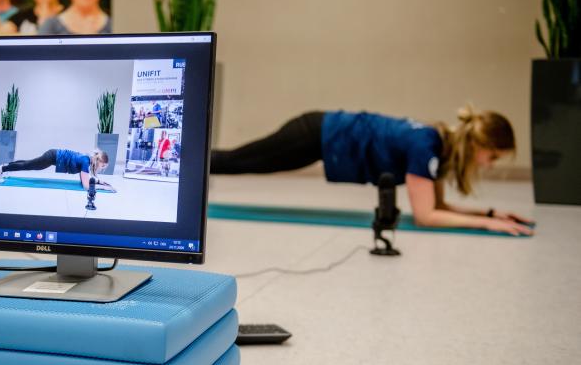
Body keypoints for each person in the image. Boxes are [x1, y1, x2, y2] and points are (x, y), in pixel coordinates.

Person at [211, 106, 534, 236]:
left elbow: (439, 208)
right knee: (238, 162)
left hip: (320, 137)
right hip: (315, 133)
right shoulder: (427, 147)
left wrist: (491, 213)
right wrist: (487, 225)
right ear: (477, 144)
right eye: (491, 157)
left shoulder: (438, 147)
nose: (488, 165)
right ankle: (181, 166)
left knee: (240, 162)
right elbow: (426, 216)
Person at [0, 149, 114, 191]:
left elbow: (85, 180)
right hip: (52, 157)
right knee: (28, 165)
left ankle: (6, 166)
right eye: (103, 166)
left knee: (29, 163)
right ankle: (1, 169)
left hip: (53, 156)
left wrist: (98, 182)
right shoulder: (85, 162)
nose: (102, 168)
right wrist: (102, 187)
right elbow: (86, 186)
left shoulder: (88, 161)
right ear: (98, 162)